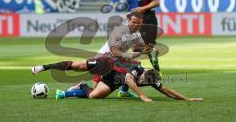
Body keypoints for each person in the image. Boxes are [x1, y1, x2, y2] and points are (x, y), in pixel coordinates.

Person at [55, 57, 204, 102]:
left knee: (96, 96)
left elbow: (167, 91)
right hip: (111, 76)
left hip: (120, 81)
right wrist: (142, 95)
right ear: (144, 74)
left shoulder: (152, 78)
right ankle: (82, 86)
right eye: (145, 80)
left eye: (148, 82)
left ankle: (123, 92)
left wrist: (188, 99)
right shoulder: (138, 70)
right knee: (94, 95)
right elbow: (128, 78)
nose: (145, 82)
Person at [117, 0, 162, 98]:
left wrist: (141, 10)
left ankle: (156, 70)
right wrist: (135, 13)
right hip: (143, 22)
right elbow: (143, 7)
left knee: (138, 50)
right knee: (139, 50)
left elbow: (156, 2)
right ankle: (155, 70)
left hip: (149, 23)